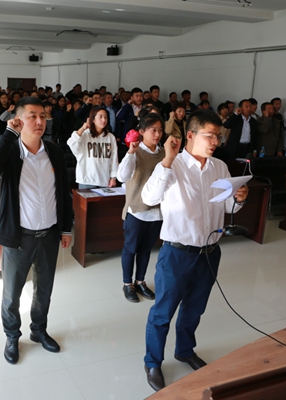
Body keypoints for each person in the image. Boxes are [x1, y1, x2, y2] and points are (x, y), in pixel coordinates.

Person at [142, 110, 249, 392]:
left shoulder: (219, 167)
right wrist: (166, 159)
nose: (215, 142)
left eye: (218, 137)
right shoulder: (172, 165)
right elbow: (149, 197)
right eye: (210, 136)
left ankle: (184, 350)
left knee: (194, 309)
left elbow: (227, 207)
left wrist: (239, 199)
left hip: (209, 253)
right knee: (163, 312)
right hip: (177, 254)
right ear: (190, 135)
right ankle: (153, 361)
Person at [0, 97, 73, 365]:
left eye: (43, 116)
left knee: (44, 289)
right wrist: (9, 134)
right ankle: (12, 336)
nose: (40, 121)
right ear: (19, 119)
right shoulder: (11, 150)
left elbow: (63, 192)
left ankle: (38, 330)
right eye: (32, 116)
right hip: (19, 236)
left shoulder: (53, 151)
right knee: (12, 293)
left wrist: (66, 228)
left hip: (49, 235)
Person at [117, 114, 165, 303]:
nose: (157, 134)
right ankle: (127, 284)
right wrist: (131, 152)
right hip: (137, 210)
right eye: (153, 130)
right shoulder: (135, 151)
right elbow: (122, 176)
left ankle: (140, 281)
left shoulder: (163, 153)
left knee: (146, 249)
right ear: (142, 132)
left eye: (160, 130)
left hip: (157, 212)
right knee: (130, 249)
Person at [68, 106, 118, 189]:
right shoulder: (85, 134)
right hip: (86, 180)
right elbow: (71, 143)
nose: (103, 120)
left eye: (105, 117)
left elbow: (114, 158)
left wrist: (113, 177)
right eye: (100, 117)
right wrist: (83, 128)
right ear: (93, 119)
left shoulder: (110, 137)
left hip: (104, 180)